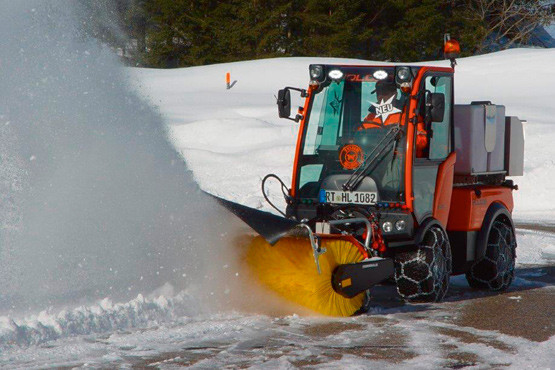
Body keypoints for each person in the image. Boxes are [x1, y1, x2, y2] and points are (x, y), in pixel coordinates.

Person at [359, 80, 428, 158]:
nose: (380, 96)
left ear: (395, 94)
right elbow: (358, 139)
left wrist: (403, 137)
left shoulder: (410, 115)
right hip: (373, 162)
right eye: (378, 93)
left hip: (401, 160)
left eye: (384, 93)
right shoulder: (370, 118)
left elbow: (423, 141)